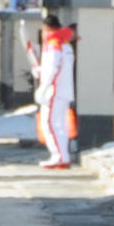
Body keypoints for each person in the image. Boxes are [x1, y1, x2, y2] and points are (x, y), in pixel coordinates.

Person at [34, 9, 77, 169]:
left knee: (49, 123)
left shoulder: (53, 43)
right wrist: (40, 71)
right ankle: (63, 156)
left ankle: (58, 156)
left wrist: (43, 87)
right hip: (64, 90)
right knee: (60, 125)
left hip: (54, 90)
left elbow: (53, 67)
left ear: (47, 28)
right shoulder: (65, 43)